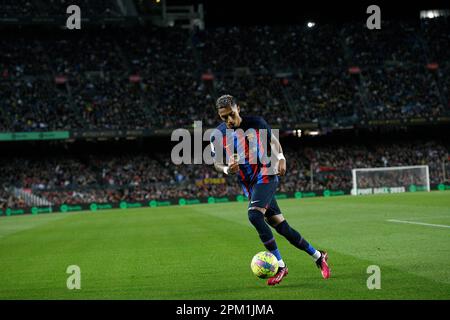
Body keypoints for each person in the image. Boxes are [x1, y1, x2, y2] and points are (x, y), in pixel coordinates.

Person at [210, 94, 330, 286]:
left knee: (254, 216)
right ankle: (318, 256)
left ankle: (281, 266)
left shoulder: (256, 123)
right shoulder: (218, 134)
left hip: (266, 174)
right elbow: (216, 163)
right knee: (282, 227)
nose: (229, 120)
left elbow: (273, 141)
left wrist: (281, 157)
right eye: (224, 117)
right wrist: (226, 169)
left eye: (231, 114)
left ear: (238, 108)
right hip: (249, 184)